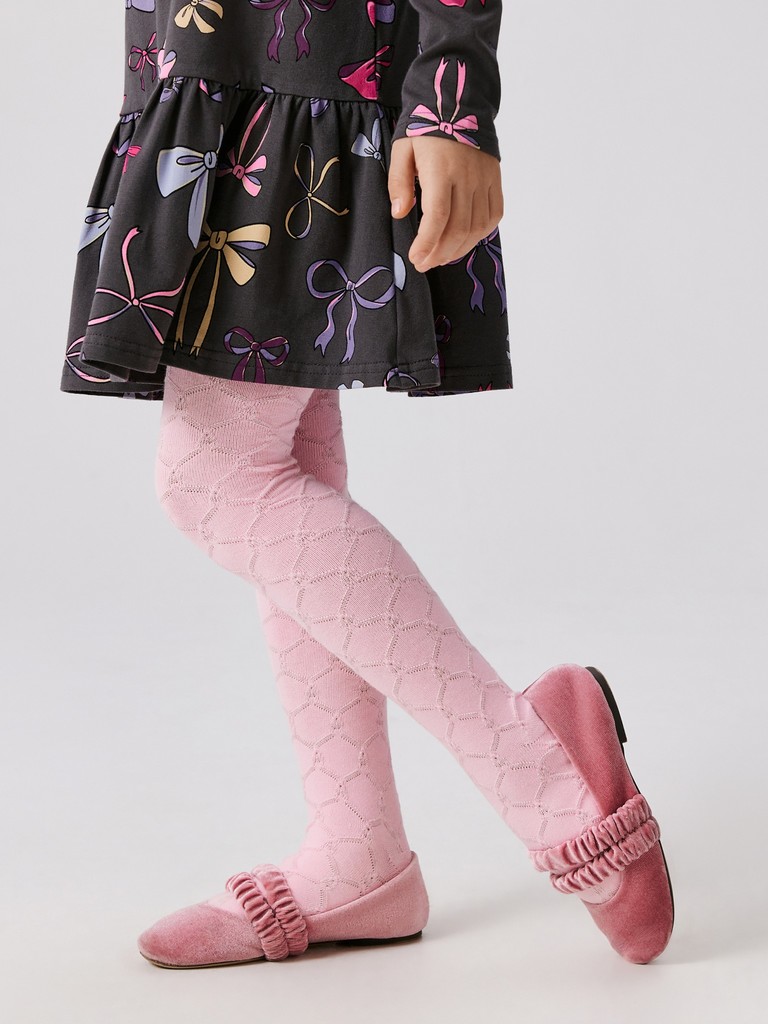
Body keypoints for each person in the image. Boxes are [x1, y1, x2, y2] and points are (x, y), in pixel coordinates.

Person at [59, 1, 674, 968]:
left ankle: (545, 774)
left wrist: (450, 94)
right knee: (287, 460)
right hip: (223, 51)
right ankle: (358, 851)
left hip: (301, 57)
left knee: (214, 480)